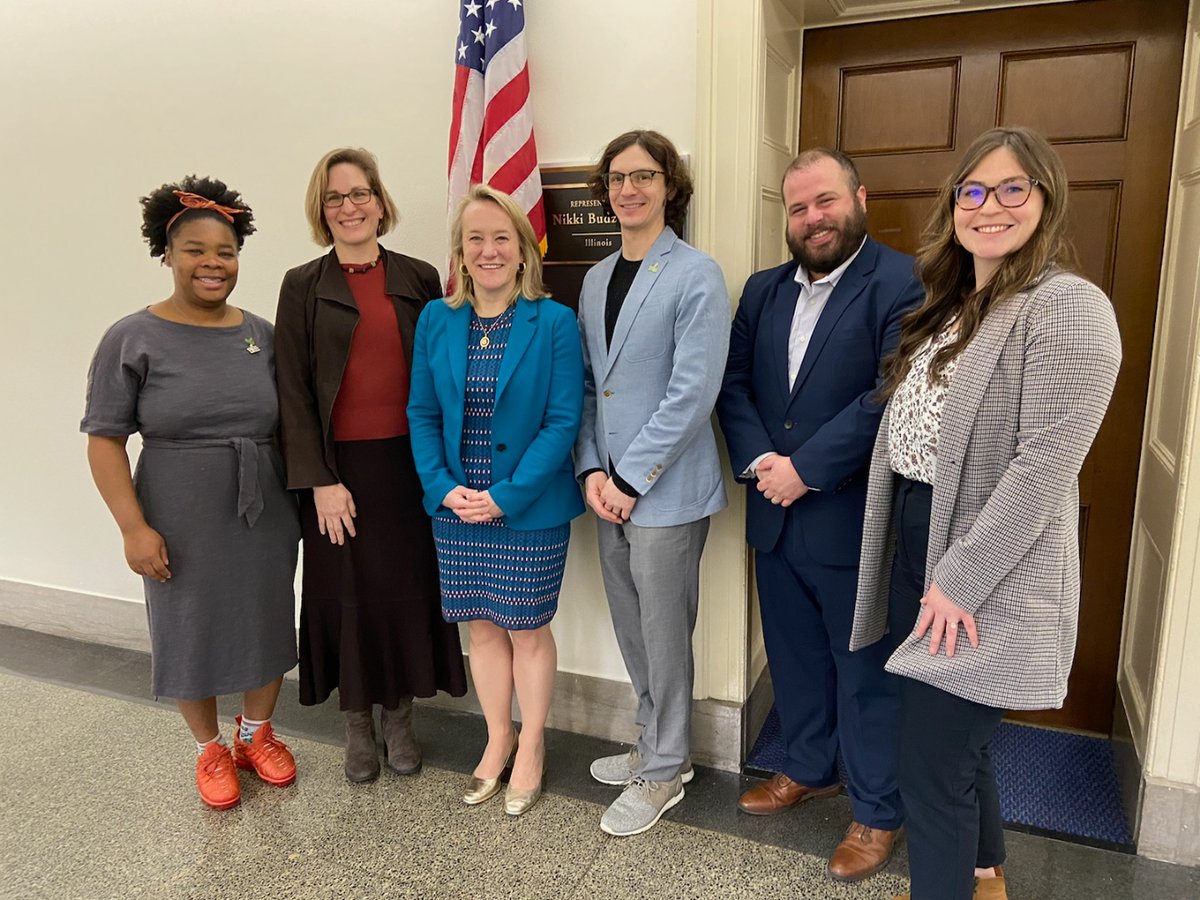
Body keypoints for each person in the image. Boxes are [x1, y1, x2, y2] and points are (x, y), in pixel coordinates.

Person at [850, 127, 1121, 900]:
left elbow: (1043, 468)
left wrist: (960, 580)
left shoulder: (1068, 306)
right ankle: (985, 872)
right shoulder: (955, 301)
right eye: (973, 190)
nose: (989, 206)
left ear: (1046, 198)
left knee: (930, 766)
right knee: (957, 745)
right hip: (917, 539)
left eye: (1012, 189)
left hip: (980, 566)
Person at [717, 148, 923, 880]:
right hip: (774, 514)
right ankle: (809, 767)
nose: (813, 218)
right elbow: (733, 385)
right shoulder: (763, 289)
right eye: (799, 207)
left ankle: (876, 812)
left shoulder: (902, 280)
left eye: (825, 202)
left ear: (858, 198)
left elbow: (892, 391)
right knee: (795, 657)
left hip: (852, 518)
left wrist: (806, 469)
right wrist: (764, 466)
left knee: (865, 671)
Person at [82, 177, 300, 811]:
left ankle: (256, 733)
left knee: (265, 617)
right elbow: (104, 440)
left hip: (263, 504)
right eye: (196, 250)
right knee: (189, 626)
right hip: (175, 509)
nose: (213, 263)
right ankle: (209, 747)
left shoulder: (260, 331)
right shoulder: (133, 338)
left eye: (226, 251)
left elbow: (295, 420)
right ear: (168, 254)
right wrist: (132, 528)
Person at [274, 148, 467, 783]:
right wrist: (321, 481)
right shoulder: (302, 285)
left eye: (360, 194)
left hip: (411, 467)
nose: (350, 206)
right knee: (346, 596)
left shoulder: (418, 276)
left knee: (403, 592)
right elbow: (294, 392)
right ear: (321, 211)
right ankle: (357, 722)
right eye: (336, 198)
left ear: (381, 203)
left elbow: (446, 373)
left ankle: (400, 717)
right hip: (336, 473)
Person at [408, 183, 583, 817]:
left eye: (500, 238)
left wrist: (504, 497)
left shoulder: (554, 321)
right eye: (475, 238)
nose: (488, 250)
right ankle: (497, 736)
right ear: (460, 250)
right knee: (480, 630)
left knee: (527, 630)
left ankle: (531, 745)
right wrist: (441, 486)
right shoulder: (437, 318)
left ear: (522, 248)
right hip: (456, 508)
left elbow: (563, 422)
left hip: (527, 509)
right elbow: (422, 412)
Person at [576, 130, 729, 837]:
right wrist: (592, 471)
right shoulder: (597, 277)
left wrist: (631, 477)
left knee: (665, 631)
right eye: (616, 177)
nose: (628, 188)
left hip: (664, 491)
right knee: (633, 624)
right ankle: (653, 741)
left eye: (644, 175)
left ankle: (666, 770)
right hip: (607, 490)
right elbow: (587, 388)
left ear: (670, 186)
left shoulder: (695, 273)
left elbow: (693, 392)